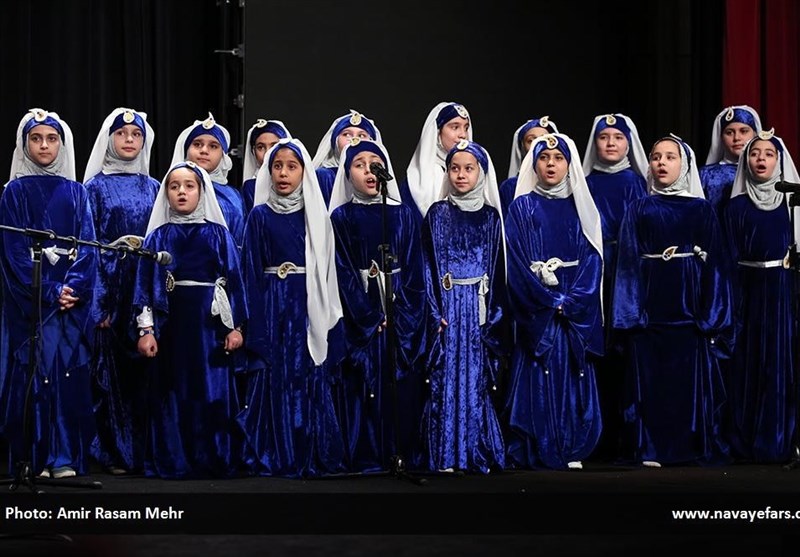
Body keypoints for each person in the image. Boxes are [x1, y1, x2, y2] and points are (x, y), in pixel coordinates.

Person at [612, 134, 732, 467]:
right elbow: (627, 264)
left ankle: (689, 446)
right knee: (650, 383)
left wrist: (711, 315)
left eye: (670, 157)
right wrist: (631, 314)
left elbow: (717, 266)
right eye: (655, 157)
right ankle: (649, 448)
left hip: (689, 312)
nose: (661, 163)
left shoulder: (701, 210)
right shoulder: (639, 208)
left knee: (687, 383)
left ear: (685, 165)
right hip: (650, 313)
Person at [237, 138, 346, 477]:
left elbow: (327, 269)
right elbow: (249, 271)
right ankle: (273, 450)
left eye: (291, 166)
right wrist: (254, 322)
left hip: (306, 304)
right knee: (273, 374)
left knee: (305, 373)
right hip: (272, 305)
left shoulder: (315, 215)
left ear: (304, 173)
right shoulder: (259, 216)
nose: (283, 173)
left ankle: (306, 449)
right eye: (277, 166)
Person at [133, 161, 247, 479]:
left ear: (202, 191)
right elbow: (144, 288)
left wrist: (236, 327)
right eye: (174, 186)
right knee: (171, 391)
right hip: (170, 327)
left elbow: (235, 283)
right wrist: (146, 331)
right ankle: (173, 459)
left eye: (189, 186)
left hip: (210, 328)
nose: (181, 192)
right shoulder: (158, 237)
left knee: (211, 391)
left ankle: (213, 458)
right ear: (166, 193)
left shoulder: (218, 235)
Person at [0, 108, 97, 479]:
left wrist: (75, 288)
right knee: (34, 375)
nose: (44, 145)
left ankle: (64, 456)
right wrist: (50, 290)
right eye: (36, 139)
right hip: (33, 303)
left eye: (52, 139)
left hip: (69, 302)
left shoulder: (77, 192)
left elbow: (88, 245)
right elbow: (13, 254)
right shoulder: (14, 192)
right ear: (24, 144)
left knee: (66, 376)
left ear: (62, 144)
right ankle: (34, 456)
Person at [503, 133, 604, 471]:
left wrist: (570, 302)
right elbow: (516, 263)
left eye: (558, 158)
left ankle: (571, 443)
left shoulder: (581, 206)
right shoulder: (521, 207)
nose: (550, 164)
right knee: (537, 371)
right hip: (539, 311)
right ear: (533, 164)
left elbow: (592, 258)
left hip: (570, 311)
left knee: (573, 374)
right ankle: (535, 444)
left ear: (569, 164)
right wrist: (547, 300)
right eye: (544, 158)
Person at [328, 137, 426, 472]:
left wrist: (403, 315)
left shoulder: (403, 215)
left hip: (398, 315)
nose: (370, 172)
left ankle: (400, 451)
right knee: (363, 385)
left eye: (375, 165)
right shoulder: (341, 218)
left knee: (400, 386)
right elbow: (342, 272)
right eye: (360, 165)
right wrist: (369, 316)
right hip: (365, 319)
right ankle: (366, 455)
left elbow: (415, 270)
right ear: (347, 174)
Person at [420, 139, 509, 473]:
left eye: (468, 169)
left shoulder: (490, 218)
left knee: (476, 379)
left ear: (481, 173)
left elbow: (497, 270)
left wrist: (492, 316)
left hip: (477, 310)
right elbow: (427, 267)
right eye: (454, 168)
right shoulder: (437, 215)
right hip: (448, 309)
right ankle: (445, 454)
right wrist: (434, 311)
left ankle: (474, 450)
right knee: (445, 378)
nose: (460, 175)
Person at [82, 107, 160, 475]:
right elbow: (89, 244)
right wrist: (98, 303)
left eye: (136, 134)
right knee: (109, 373)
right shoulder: (94, 187)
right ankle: (114, 451)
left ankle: (143, 451)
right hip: (111, 285)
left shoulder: (154, 186)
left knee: (145, 371)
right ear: (109, 139)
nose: (129, 139)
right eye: (122, 133)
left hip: (144, 283)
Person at [723, 129, 800, 463]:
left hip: (783, 291)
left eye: (768, 154)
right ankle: (745, 441)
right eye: (755, 154)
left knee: (780, 363)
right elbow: (728, 256)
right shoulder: (736, 206)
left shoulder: (793, 204)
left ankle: (780, 440)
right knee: (748, 363)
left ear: (779, 161)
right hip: (747, 291)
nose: (761, 159)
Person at [580, 113, 648, 463]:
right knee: (597, 350)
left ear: (628, 144)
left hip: (628, 271)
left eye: (618, 137)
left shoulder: (637, 182)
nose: (610, 143)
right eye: (603, 137)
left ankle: (627, 435)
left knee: (625, 349)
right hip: (595, 270)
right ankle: (596, 433)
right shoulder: (585, 182)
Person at [171, 113, 246, 249]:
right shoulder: (173, 190)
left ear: (223, 156)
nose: (204, 150)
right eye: (197, 144)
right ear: (186, 150)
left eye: (213, 146)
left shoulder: (233, 196)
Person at [401, 101, 473, 227]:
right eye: (455, 127)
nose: (463, 135)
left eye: (466, 128)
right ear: (438, 131)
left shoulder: (475, 175)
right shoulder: (414, 181)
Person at [699, 105, 762, 217]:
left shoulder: (765, 173)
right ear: (721, 138)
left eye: (744, 131)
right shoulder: (706, 175)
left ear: (755, 134)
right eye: (729, 132)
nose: (736, 138)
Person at [311, 109, 382, 207]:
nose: (355, 140)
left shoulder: (379, 174)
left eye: (361, 135)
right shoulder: (324, 175)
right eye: (347, 134)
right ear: (335, 142)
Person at [499, 116, 559, 217]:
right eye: (531, 140)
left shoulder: (568, 186)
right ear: (522, 147)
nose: (538, 145)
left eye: (544, 139)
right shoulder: (510, 187)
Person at [240, 118, 291, 216]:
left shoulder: (297, 182)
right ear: (253, 151)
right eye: (261, 147)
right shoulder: (251, 187)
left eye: (274, 145)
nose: (268, 152)